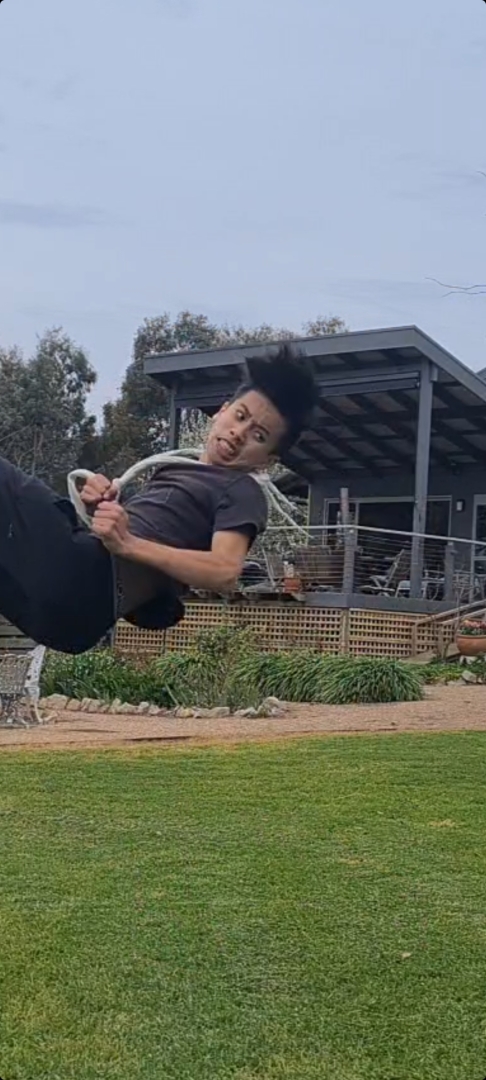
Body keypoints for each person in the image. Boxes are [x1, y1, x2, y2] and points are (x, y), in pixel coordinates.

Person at [0, 345, 316, 653]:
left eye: (259, 436)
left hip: (87, 583)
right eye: (240, 416)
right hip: (67, 618)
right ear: (221, 411)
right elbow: (144, 533)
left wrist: (128, 543)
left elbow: (224, 571)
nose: (239, 433)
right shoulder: (175, 468)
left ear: (267, 461)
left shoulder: (240, 489)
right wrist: (100, 507)